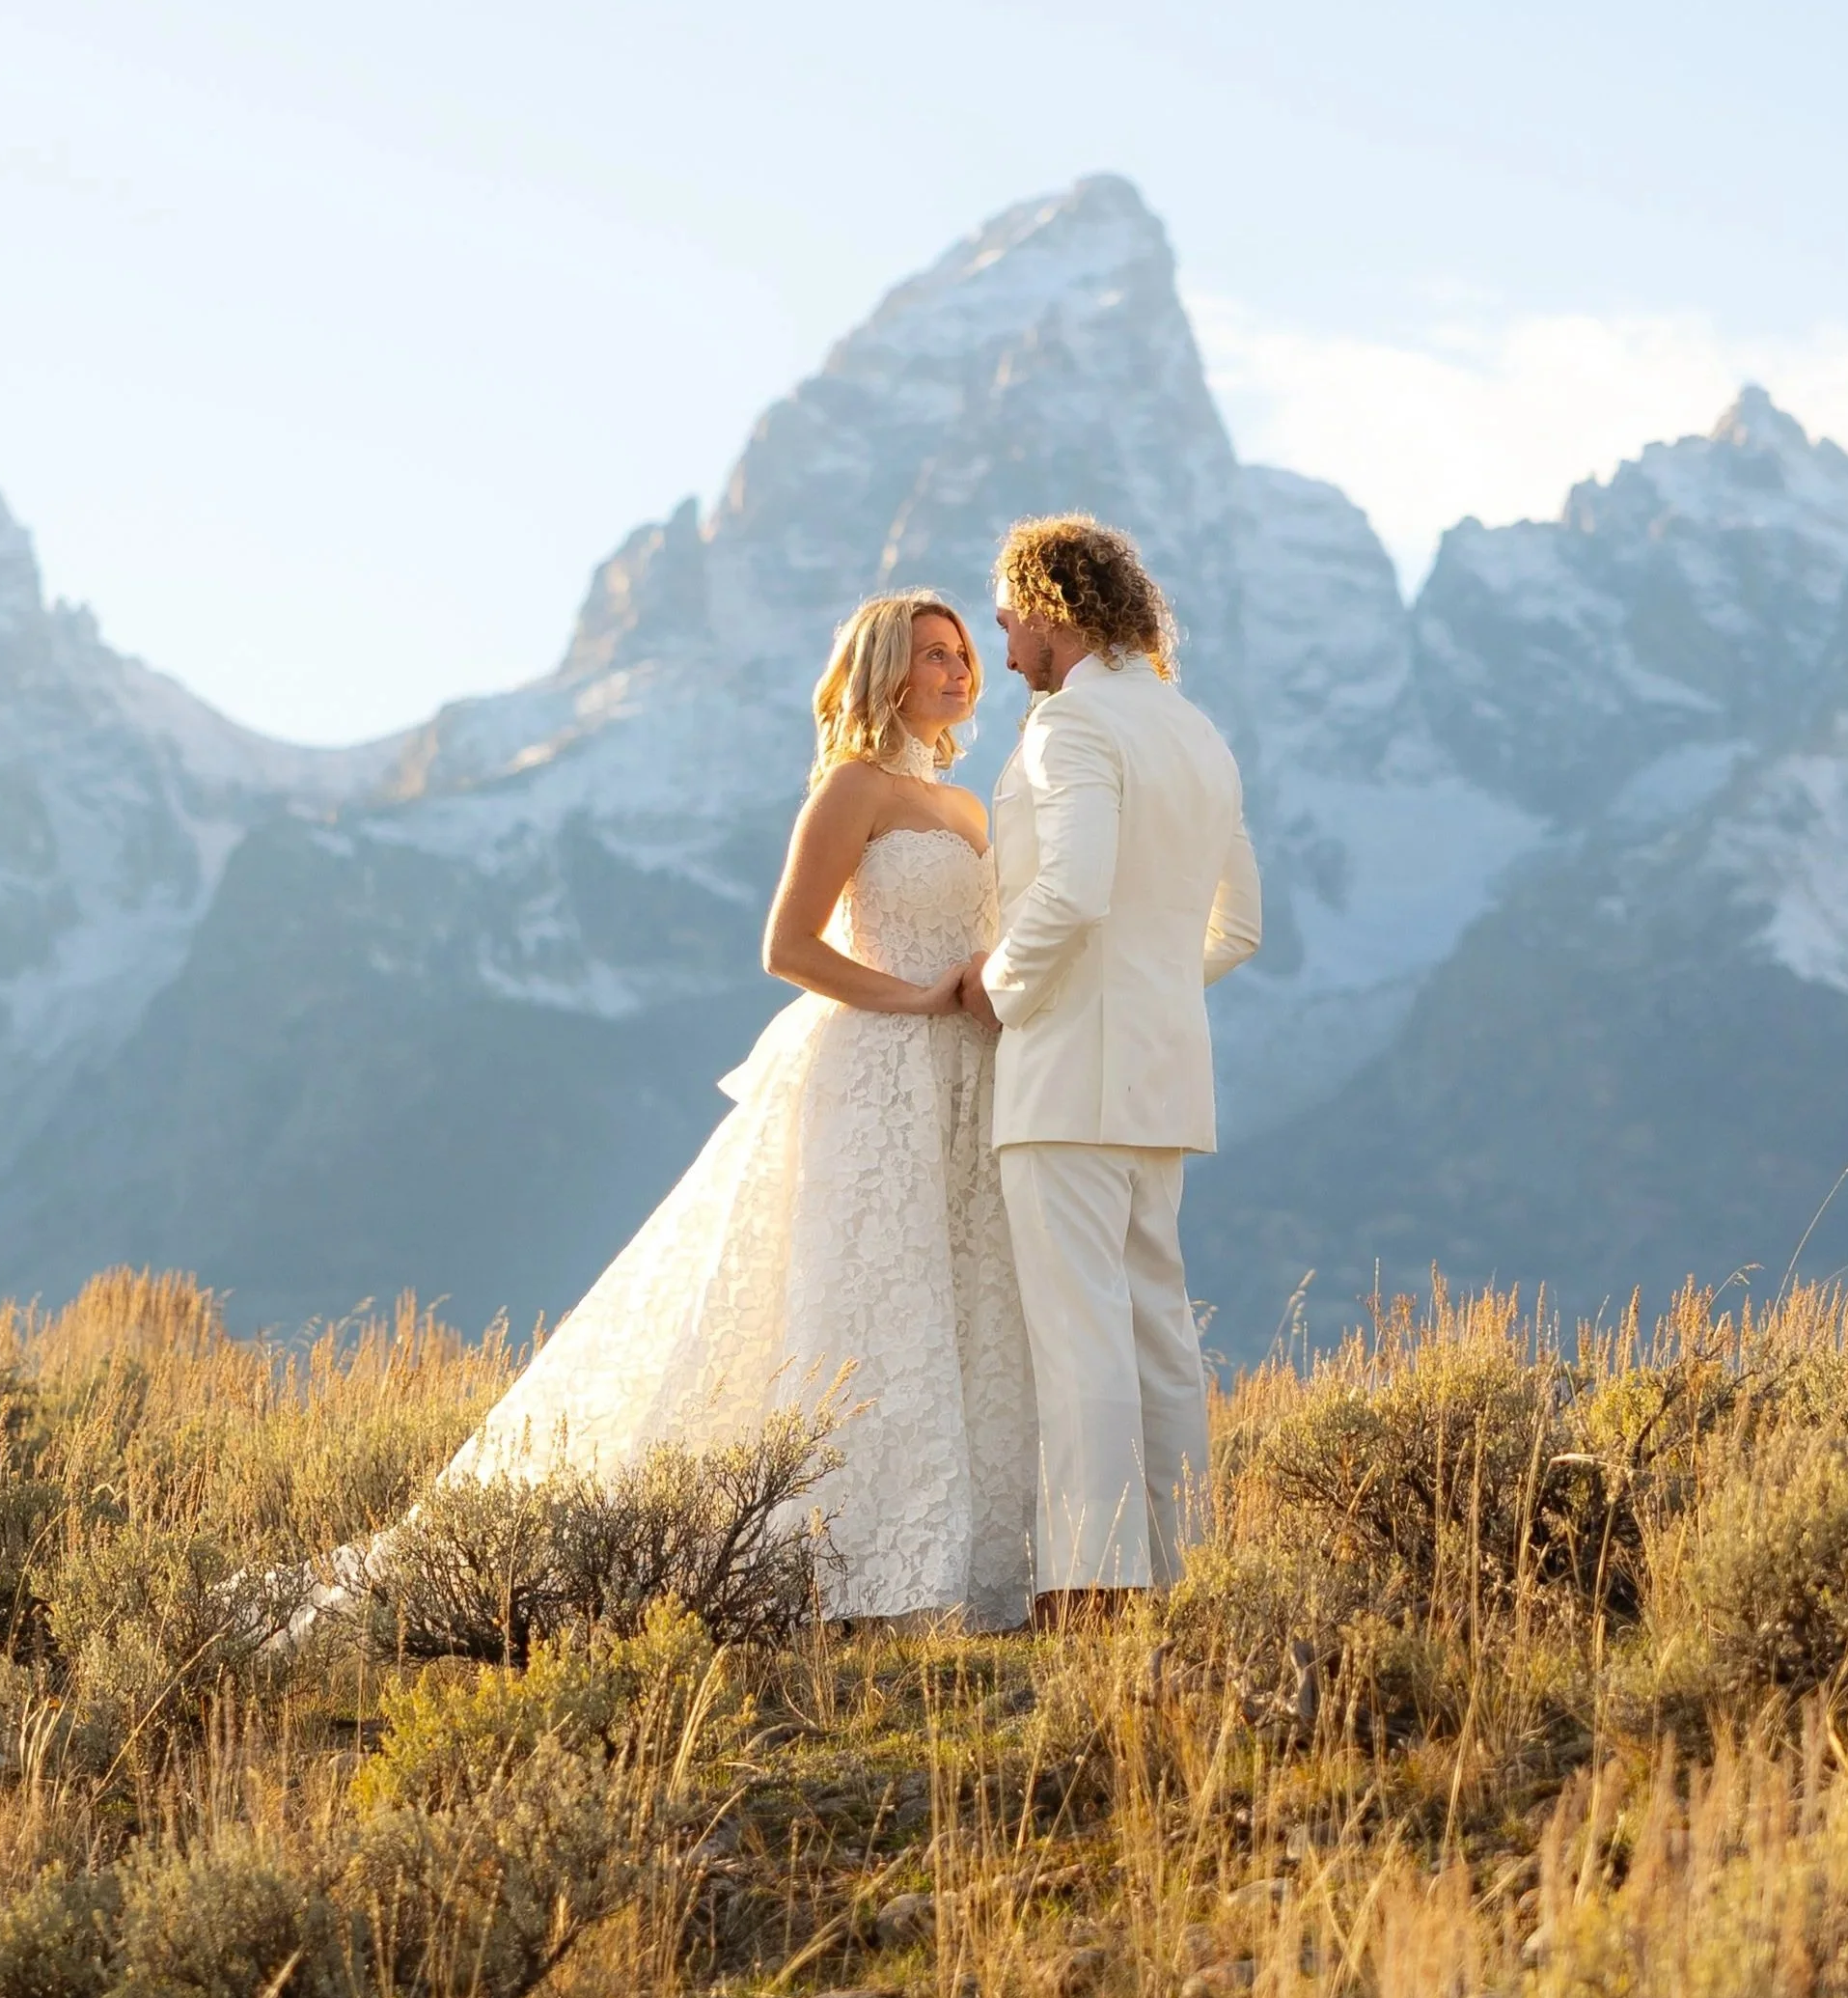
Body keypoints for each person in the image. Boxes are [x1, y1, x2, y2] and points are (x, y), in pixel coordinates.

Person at [435, 593, 1036, 1627]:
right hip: (874, 1072)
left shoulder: (973, 809)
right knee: (862, 1303)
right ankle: (828, 1568)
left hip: (964, 1078)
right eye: (932, 656)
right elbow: (787, 949)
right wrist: (912, 999)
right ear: (886, 673)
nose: (957, 672)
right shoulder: (851, 789)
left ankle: (953, 1563)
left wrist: (978, 984)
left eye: (962, 655)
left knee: (961, 1304)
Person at [956, 514, 1260, 1615]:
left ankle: (1091, 1582)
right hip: (1162, 1074)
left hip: (1061, 1074)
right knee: (1158, 1339)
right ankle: (1187, 1575)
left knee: (1078, 1336)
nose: (1003, 654)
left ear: (1050, 606)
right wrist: (1149, 992)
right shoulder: (1197, 733)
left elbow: (1073, 892)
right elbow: (1237, 931)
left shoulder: (1069, 726)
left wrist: (997, 991)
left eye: (1007, 624)